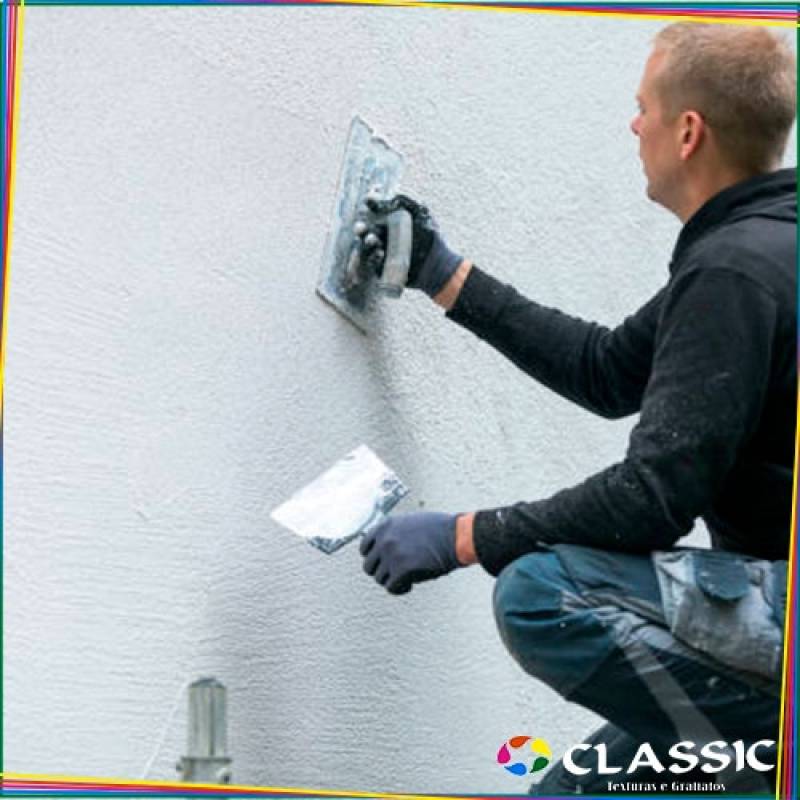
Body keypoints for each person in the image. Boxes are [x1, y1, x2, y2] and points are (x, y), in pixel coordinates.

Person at [356, 23, 797, 795]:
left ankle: (765, 765)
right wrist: (444, 274)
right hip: (772, 617)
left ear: (688, 132)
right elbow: (606, 371)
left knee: (540, 593)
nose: (635, 126)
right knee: (573, 791)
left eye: (643, 108)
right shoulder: (759, 251)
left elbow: (653, 499)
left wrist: (463, 537)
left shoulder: (737, 271)